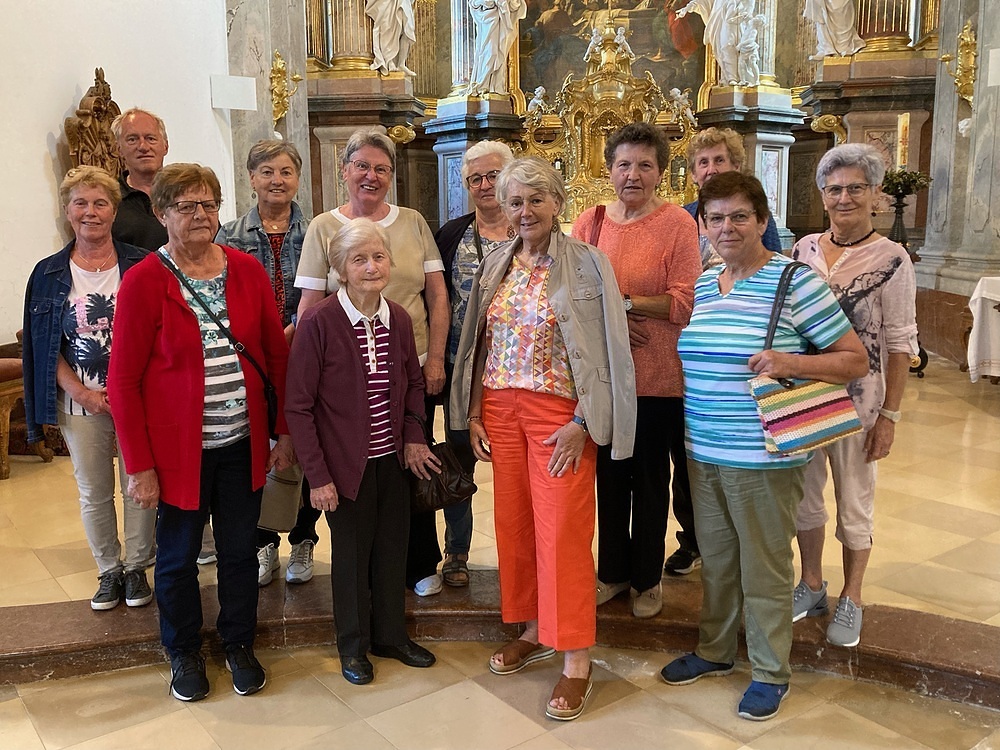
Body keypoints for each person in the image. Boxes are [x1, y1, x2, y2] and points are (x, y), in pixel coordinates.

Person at [659, 171, 867, 721]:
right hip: (703, 450)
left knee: (765, 567)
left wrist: (789, 361)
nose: (726, 228)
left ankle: (772, 672)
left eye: (739, 217)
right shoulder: (707, 282)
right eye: (715, 218)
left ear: (762, 221)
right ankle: (715, 651)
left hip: (764, 453)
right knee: (718, 561)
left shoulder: (793, 282)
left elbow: (854, 359)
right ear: (702, 226)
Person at [451, 157, 635, 721]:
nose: (525, 211)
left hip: (560, 414)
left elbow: (608, 346)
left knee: (563, 532)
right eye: (515, 201)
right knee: (514, 525)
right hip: (500, 408)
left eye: (536, 199)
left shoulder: (587, 263)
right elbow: (481, 340)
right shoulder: (498, 261)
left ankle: (575, 657)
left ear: (557, 202)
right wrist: (475, 410)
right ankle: (533, 630)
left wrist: (584, 422)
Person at [108, 163, 295, 702]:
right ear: (161, 213)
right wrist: (140, 466)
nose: (200, 215)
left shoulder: (245, 270)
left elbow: (276, 357)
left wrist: (282, 432)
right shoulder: (145, 279)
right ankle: (183, 650)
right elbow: (123, 381)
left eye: (209, 204)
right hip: (176, 454)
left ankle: (239, 643)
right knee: (176, 559)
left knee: (239, 553)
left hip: (240, 444)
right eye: (186, 205)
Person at [294, 128, 449, 597]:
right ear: (345, 170)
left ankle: (417, 562)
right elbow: (309, 304)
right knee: (353, 471)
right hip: (346, 378)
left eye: (381, 168)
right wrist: (303, 367)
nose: (371, 175)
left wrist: (435, 359)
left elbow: (437, 295)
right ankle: (359, 574)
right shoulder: (323, 226)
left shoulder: (413, 222)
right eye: (362, 165)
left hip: (410, 369)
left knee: (412, 464)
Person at [285, 218, 441, 686]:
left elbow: (413, 385)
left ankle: (391, 636)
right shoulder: (319, 321)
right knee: (352, 559)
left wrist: (413, 436)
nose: (372, 267)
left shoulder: (399, 318)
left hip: (391, 460)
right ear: (340, 269)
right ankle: (353, 646)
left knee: (393, 550)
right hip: (342, 467)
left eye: (378, 256)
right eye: (359, 259)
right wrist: (318, 476)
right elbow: (298, 406)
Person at [790, 143, 918, 648]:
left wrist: (890, 416)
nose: (844, 198)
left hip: (860, 404)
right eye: (834, 189)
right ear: (823, 195)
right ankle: (812, 583)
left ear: (876, 194)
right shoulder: (803, 249)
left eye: (855, 188)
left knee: (854, 503)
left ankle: (853, 596)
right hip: (805, 399)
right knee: (804, 500)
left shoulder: (892, 258)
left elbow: (900, 344)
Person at [571, 123, 701, 619]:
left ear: (661, 172)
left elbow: (685, 301)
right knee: (609, 480)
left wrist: (623, 305)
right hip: (604, 379)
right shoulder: (591, 222)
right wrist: (613, 322)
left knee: (649, 482)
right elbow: (572, 294)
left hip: (657, 378)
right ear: (608, 169)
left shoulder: (677, 224)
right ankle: (613, 573)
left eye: (645, 165)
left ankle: (647, 579)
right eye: (624, 164)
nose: (633, 174)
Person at [22, 166, 154, 611]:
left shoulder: (142, 263)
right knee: (93, 490)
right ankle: (109, 570)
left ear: (114, 210)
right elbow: (43, 345)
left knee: (139, 480)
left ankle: (136, 568)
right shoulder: (47, 274)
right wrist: (82, 393)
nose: (91, 212)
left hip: (139, 400)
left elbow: (161, 333)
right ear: (67, 210)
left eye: (100, 203)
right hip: (80, 400)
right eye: (81, 203)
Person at [216, 140, 320, 588]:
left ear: (297, 178)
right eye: (266, 172)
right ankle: (263, 543)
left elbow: (325, 293)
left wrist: (288, 335)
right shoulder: (228, 235)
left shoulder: (317, 231)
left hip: (306, 356)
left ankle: (303, 538)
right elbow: (220, 296)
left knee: (308, 448)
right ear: (251, 178)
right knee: (257, 448)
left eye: (285, 171)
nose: (277, 180)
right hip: (250, 359)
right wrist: (263, 342)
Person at [433, 140, 516, 587]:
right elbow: (436, 302)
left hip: (518, 373)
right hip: (462, 373)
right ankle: (457, 551)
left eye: (493, 175)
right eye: (475, 179)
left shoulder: (531, 231)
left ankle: (520, 557)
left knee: (516, 470)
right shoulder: (451, 235)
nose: (485, 185)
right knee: (459, 464)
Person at [684, 127, 782, 270]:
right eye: (704, 162)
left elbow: (774, 263)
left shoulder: (754, 212)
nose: (711, 170)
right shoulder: (684, 216)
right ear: (693, 174)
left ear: (736, 166)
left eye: (719, 160)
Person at [110, 108, 169, 250]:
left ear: (165, 146)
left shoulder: (186, 193)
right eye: (132, 139)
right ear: (119, 149)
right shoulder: (109, 200)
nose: (143, 147)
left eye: (151, 138)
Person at [468, 0, 528, 96]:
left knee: (500, 55)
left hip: (502, 24)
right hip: (487, 22)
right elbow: (473, 3)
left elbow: (516, 5)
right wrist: (484, 2)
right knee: (489, 52)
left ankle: (495, 85)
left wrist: (507, 3)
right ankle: (483, 83)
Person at [676, 0, 740, 85]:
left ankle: (732, 77)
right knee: (721, 49)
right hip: (718, 24)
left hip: (732, 24)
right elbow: (702, 2)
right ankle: (727, 76)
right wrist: (687, 8)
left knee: (727, 46)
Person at [366, 0, 416, 75]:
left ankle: (401, 63)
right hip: (387, 3)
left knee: (407, 30)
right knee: (389, 28)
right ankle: (389, 60)